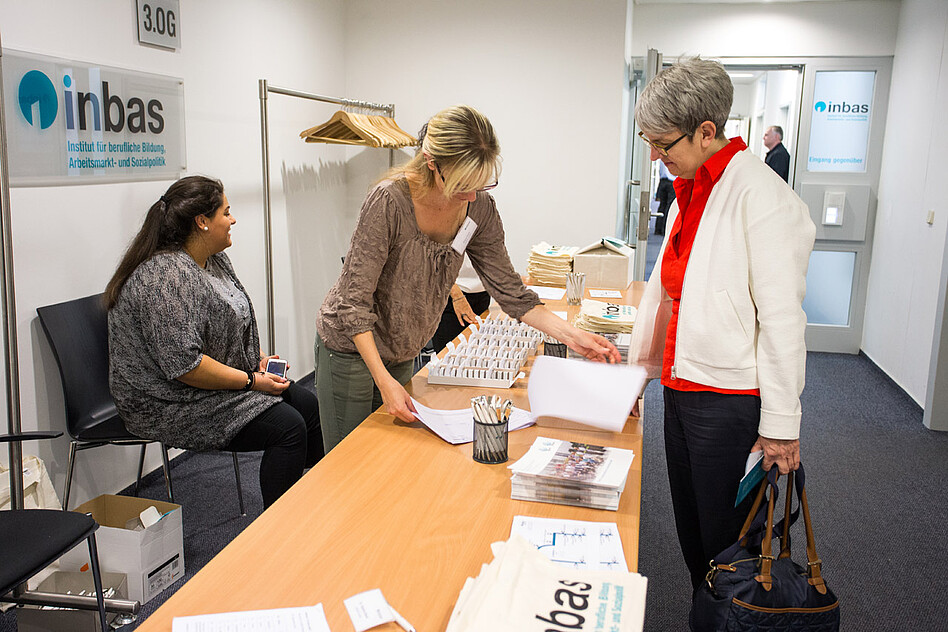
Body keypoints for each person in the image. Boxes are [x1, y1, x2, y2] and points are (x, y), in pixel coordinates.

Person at [315, 105, 620, 452]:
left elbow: (511, 292)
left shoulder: (479, 208)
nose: (472, 196)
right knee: (349, 465)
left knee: (389, 458)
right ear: (432, 163)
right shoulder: (389, 202)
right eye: (462, 184)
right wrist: (383, 380)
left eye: (482, 183)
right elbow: (352, 303)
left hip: (401, 351)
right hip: (352, 350)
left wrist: (575, 337)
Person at [629, 58, 815, 593]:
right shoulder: (690, 187)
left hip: (729, 399)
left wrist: (782, 424)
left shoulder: (761, 196)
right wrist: (641, 372)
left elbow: (782, 318)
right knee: (694, 539)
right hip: (683, 388)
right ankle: (708, 616)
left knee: (730, 548)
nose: (655, 155)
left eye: (663, 144)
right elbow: (672, 294)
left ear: (706, 132)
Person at [105, 176, 323, 509]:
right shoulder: (164, 277)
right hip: (165, 401)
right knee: (288, 428)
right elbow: (184, 365)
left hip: (204, 386)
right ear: (202, 222)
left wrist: (257, 359)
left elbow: (234, 320)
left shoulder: (214, 259)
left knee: (307, 406)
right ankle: (281, 533)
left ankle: (317, 502)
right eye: (226, 212)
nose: (233, 219)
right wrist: (251, 381)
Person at [431, 254, 491, 353]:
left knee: (477, 355)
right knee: (449, 358)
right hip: (451, 294)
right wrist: (457, 296)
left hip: (482, 292)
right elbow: (432, 260)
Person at [654, 160, 676, 236]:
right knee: (669, 207)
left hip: (662, 182)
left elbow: (660, 171)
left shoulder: (662, 159)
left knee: (662, 205)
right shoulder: (674, 158)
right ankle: (664, 230)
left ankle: (658, 229)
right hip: (672, 183)